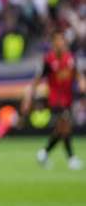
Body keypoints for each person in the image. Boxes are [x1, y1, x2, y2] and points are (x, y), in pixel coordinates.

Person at [23, 32, 85, 170]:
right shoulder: (48, 60)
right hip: (55, 99)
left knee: (61, 130)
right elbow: (37, 80)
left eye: (61, 41)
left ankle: (44, 153)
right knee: (65, 126)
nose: (59, 43)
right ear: (53, 43)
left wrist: (82, 83)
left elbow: (78, 75)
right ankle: (71, 158)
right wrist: (29, 97)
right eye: (56, 41)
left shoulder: (71, 58)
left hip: (68, 97)